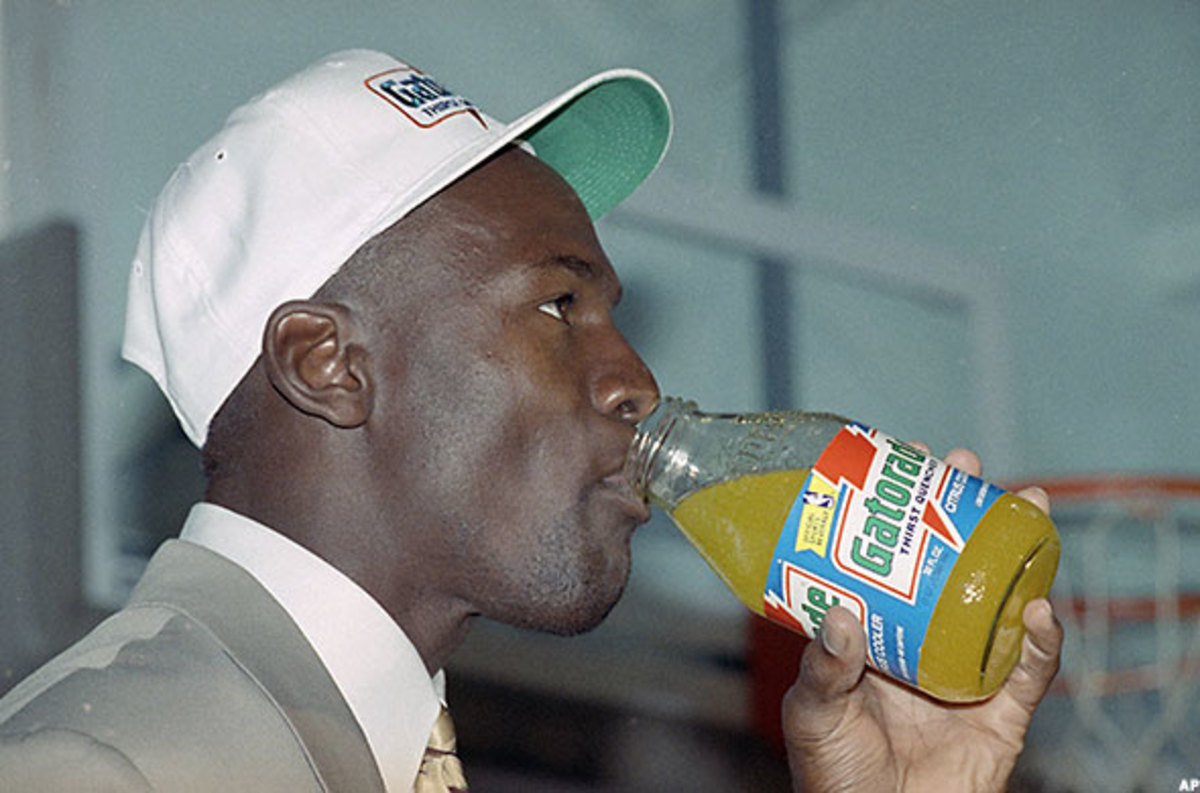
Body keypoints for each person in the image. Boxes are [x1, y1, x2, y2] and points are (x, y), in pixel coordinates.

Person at [0, 49, 1062, 791]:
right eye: (559, 306)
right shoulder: (109, 769)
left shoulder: (360, 749)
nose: (636, 381)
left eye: (610, 314)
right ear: (328, 364)